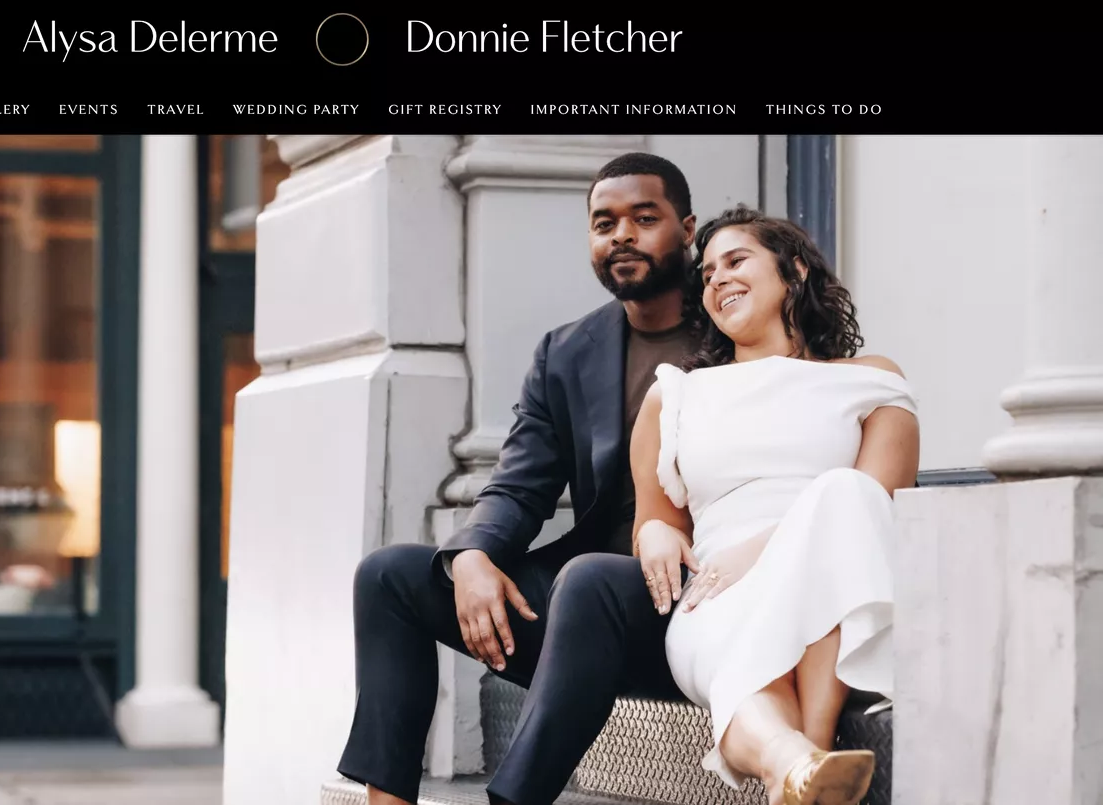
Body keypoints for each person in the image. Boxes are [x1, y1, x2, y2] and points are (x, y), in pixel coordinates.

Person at [335, 152, 702, 805]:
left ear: (688, 229)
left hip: (693, 596)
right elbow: (520, 480)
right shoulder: (567, 351)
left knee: (586, 578)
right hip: (576, 607)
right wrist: (473, 554)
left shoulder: (736, 331)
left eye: (644, 218)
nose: (621, 235)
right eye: (603, 222)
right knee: (389, 576)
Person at [630, 204, 919, 805]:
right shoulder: (675, 396)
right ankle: (801, 767)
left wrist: (768, 551)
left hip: (831, 584)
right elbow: (654, 518)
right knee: (748, 666)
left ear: (796, 271)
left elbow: (877, 504)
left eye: (737, 261)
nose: (717, 280)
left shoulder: (871, 380)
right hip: (719, 594)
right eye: (706, 273)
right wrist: (655, 532)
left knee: (843, 495)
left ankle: (801, 763)